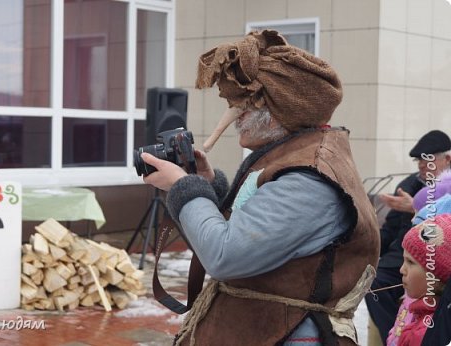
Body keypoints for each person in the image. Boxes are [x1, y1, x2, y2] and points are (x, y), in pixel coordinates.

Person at [141, 30, 380, 345]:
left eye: (242, 105)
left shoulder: (307, 180)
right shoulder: (293, 154)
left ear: (279, 108)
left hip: (286, 336)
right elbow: (251, 227)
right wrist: (208, 187)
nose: (233, 116)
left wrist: (185, 188)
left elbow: (225, 255)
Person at [365, 130, 451, 344]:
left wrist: (415, 208)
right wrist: (368, 248)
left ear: (447, 159)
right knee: (370, 281)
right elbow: (389, 230)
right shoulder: (408, 184)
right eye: (418, 161)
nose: (421, 165)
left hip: (432, 259)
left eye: (427, 160)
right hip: (400, 255)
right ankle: (395, 336)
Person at [385, 214, 451, 345]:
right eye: (403, 260)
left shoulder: (424, 334)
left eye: (410, 262)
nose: (401, 270)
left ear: (436, 276)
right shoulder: (417, 310)